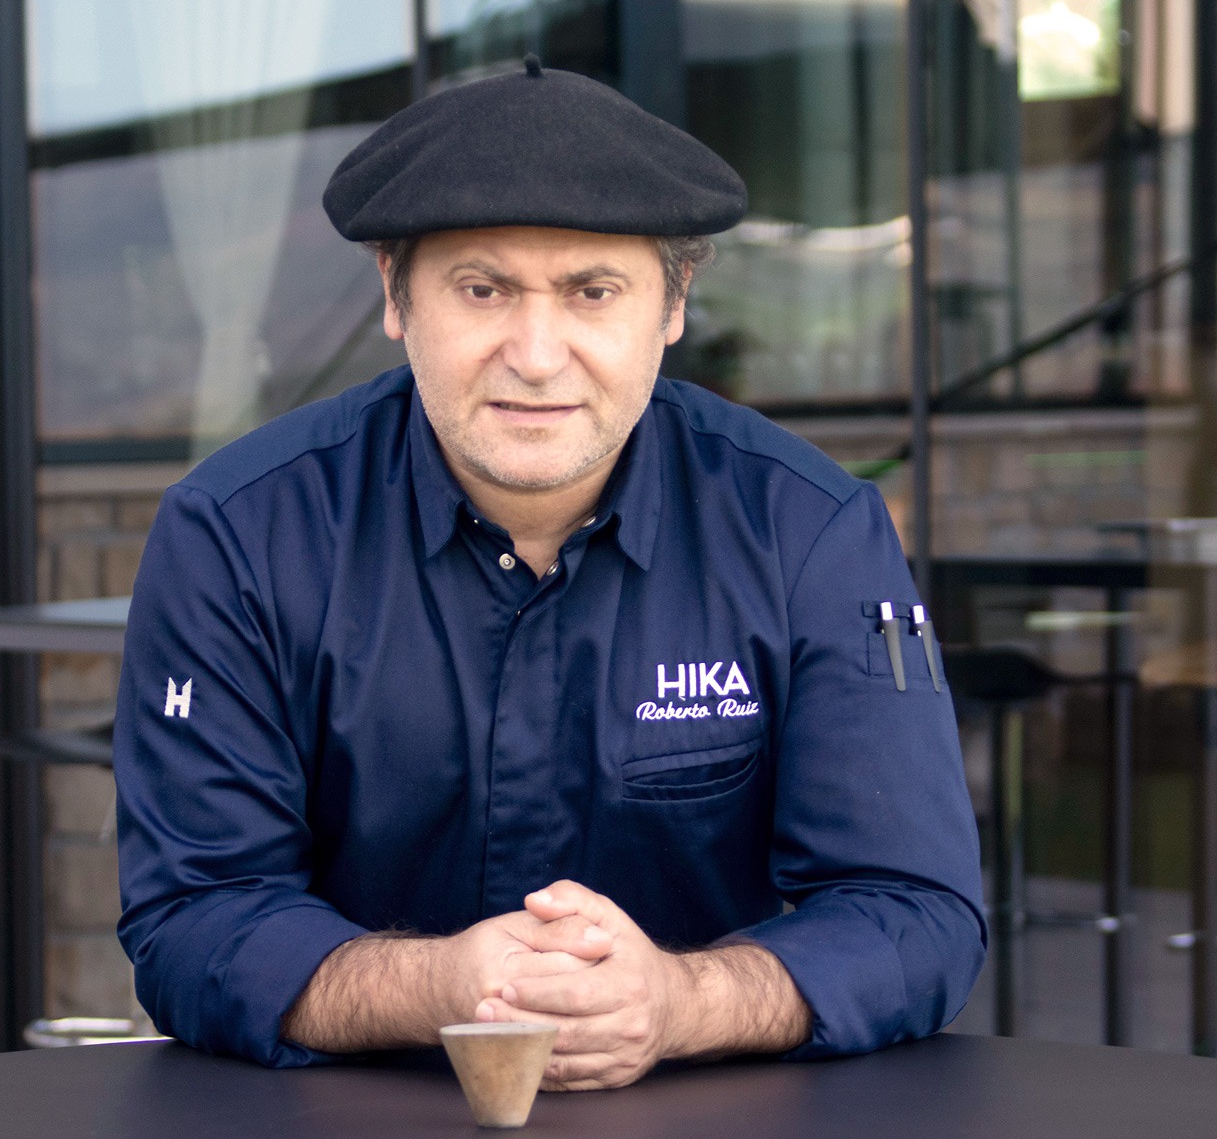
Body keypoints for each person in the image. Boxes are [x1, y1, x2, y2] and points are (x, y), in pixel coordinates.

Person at [114, 57, 984, 1092]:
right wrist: (444, 988)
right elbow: (194, 917)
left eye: (592, 292)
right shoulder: (238, 536)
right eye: (482, 289)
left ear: (673, 305)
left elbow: (915, 910)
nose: (535, 354)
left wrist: (681, 1002)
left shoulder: (807, 532)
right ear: (394, 294)